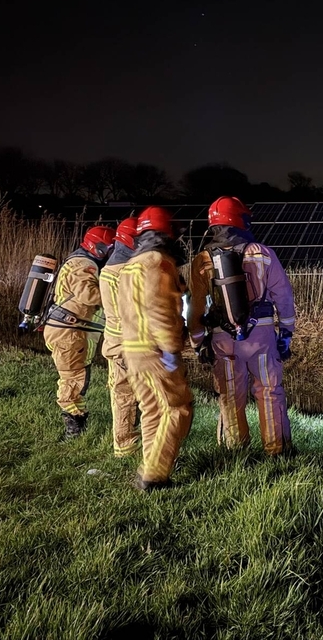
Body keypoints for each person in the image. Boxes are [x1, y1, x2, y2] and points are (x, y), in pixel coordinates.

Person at [187, 196, 296, 456]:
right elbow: (284, 296)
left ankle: (237, 451)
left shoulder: (201, 260)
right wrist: (287, 333)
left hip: (223, 340)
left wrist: (198, 342)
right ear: (242, 220)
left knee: (230, 395)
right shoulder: (263, 253)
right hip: (262, 337)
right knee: (269, 392)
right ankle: (277, 450)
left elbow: (196, 307)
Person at [117, 206, 194, 491]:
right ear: (165, 234)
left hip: (133, 349)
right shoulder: (159, 262)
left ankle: (151, 464)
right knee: (178, 408)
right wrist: (171, 348)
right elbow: (159, 308)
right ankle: (154, 476)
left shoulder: (130, 265)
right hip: (155, 352)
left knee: (152, 410)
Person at [43, 225, 115, 439]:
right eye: (109, 248)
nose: (112, 253)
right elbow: (89, 295)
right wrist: (118, 292)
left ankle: (78, 421)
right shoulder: (83, 264)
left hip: (71, 331)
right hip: (69, 332)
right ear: (99, 247)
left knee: (77, 376)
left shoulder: (82, 261)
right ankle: (73, 431)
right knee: (73, 379)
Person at [98, 216, 140, 457]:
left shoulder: (107, 271)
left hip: (115, 346)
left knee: (122, 396)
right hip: (137, 344)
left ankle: (124, 447)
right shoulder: (132, 271)